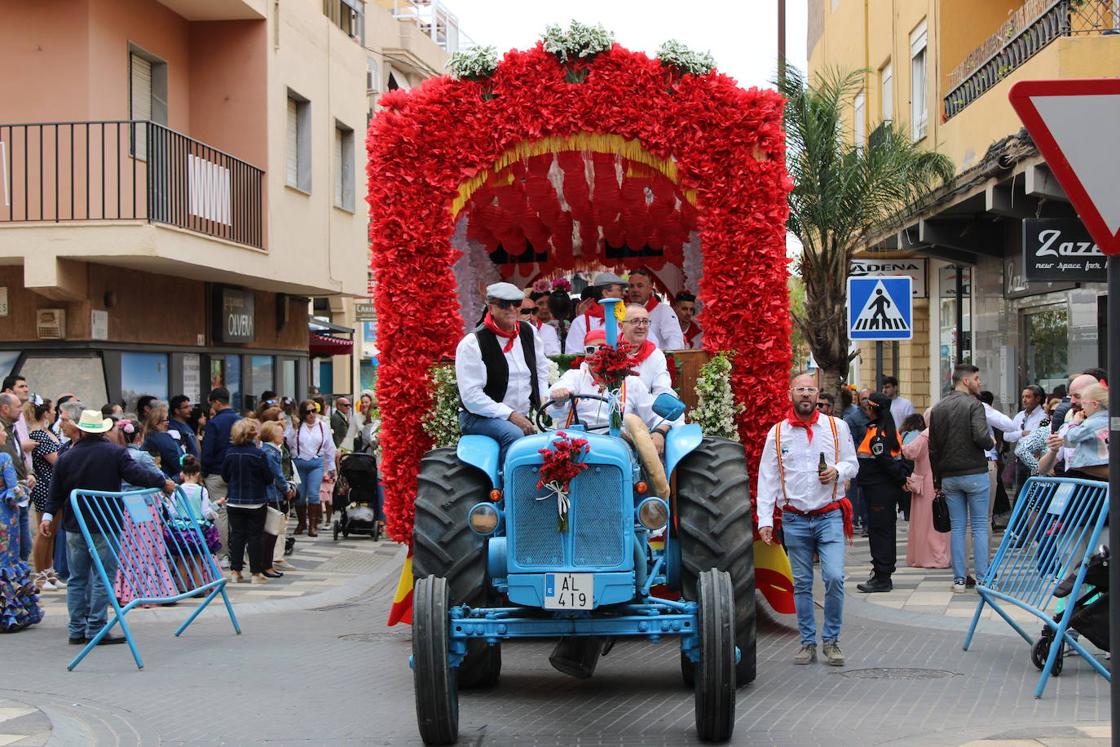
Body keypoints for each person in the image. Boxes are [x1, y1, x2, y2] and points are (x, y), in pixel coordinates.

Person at [38, 410, 174, 645]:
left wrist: (47, 517)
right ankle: (96, 628)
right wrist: (162, 482)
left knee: (77, 578)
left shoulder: (66, 457)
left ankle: (76, 628)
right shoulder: (115, 453)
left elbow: (55, 493)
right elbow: (137, 475)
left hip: (75, 524)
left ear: (81, 429)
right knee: (102, 577)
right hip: (106, 522)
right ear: (102, 429)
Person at [756, 372, 858, 666]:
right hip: (795, 518)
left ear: (817, 396)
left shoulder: (836, 428)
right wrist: (765, 520)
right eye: (800, 389)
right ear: (790, 394)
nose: (805, 395)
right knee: (801, 583)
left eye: (810, 390)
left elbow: (853, 464)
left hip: (829, 515)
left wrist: (837, 470)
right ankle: (807, 642)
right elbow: (768, 478)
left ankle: (832, 640)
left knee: (835, 577)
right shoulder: (777, 434)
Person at [456, 282, 550, 464]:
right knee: (513, 434)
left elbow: (541, 370)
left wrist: (544, 403)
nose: (511, 309)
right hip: (479, 416)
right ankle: (507, 489)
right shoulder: (472, 343)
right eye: (504, 304)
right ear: (491, 308)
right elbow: (471, 397)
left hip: (521, 413)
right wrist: (510, 415)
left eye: (515, 304)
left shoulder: (528, 331)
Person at [546, 329, 679, 446]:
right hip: (573, 447)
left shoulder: (631, 383)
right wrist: (559, 397)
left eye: (602, 349)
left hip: (617, 446)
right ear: (585, 354)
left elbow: (657, 416)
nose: (596, 355)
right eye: (591, 350)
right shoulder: (574, 377)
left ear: (613, 353)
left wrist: (659, 432)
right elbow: (554, 407)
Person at [928, 364, 994, 593]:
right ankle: (984, 578)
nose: (980, 383)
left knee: (957, 528)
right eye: (977, 378)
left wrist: (937, 480)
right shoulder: (975, 405)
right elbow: (981, 437)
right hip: (975, 472)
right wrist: (992, 442)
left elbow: (933, 448)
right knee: (979, 527)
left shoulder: (938, 408)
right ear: (966, 381)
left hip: (948, 476)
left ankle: (959, 580)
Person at [854, 392, 912, 593]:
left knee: (880, 533)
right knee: (884, 531)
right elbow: (900, 459)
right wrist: (902, 479)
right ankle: (882, 573)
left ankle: (882, 576)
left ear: (872, 409)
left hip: (879, 490)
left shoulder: (878, 434)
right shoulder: (886, 430)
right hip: (882, 489)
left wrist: (901, 479)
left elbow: (887, 462)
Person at [0, 423, 42, 632]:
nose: (4, 434)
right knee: (8, 560)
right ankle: (9, 614)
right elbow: (13, 490)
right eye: (1, 431)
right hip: (6, 516)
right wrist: (25, 485)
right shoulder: (4, 459)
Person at [221, 419, 274, 584]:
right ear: (252, 435)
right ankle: (256, 573)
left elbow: (224, 476)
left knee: (237, 536)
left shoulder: (230, 453)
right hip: (255, 501)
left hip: (234, 501)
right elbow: (268, 478)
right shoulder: (258, 454)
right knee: (255, 537)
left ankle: (235, 571)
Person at [901, 411, 949, 568]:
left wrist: (899, 443)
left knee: (925, 522)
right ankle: (943, 555)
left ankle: (927, 557)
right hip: (943, 479)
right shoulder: (947, 433)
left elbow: (909, 452)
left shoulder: (925, 435)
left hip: (927, 482)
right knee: (942, 518)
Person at [27, 398, 64, 591]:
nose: (54, 413)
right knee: (44, 532)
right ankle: (40, 575)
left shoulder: (48, 432)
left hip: (54, 485)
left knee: (53, 531)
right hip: (44, 485)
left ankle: (49, 571)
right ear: (46, 412)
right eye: (52, 410)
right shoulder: (38, 434)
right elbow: (56, 460)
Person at [286, 399, 336, 536]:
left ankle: (312, 526)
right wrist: (294, 429)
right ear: (303, 413)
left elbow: (329, 447)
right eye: (308, 412)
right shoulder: (297, 426)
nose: (312, 414)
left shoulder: (322, 426)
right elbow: (288, 442)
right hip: (299, 463)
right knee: (300, 496)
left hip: (316, 463)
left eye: (314, 411)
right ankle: (302, 523)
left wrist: (331, 467)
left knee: (314, 494)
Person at [201, 388, 237, 566]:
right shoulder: (239, 420)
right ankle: (237, 552)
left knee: (220, 513)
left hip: (216, 471)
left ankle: (222, 554)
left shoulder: (215, 423)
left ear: (216, 402)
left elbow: (208, 450)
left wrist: (204, 471)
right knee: (236, 512)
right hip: (236, 471)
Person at [0, 393, 33, 562]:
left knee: (22, 546)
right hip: (9, 502)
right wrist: (17, 488)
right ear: (5, 408)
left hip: (18, 497)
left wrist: (30, 474)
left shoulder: (13, 429)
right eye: (18, 406)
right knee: (13, 549)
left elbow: (20, 458)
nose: (21, 410)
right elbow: (9, 464)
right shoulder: (2, 430)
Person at [259, 421, 294, 577]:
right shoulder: (272, 452)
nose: (283, 435)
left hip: (268, 494)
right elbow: (277, 475)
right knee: (271, 531)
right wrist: (287, 489)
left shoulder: (267, 450)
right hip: (272, 495)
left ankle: (265, 563)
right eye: (280, 433)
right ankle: (266, 565)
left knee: (268, 532)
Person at [619, 303, 674, 396]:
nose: (641, 326)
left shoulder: (656, 355)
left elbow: (662, 389)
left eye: (645, 321)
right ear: (621, 326)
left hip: (645, 408)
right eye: (635, 321)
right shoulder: (610, 352)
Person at [564, 272, 626, 354]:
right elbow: (573, 355)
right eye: (619, 290)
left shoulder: (625, 318)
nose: (623, 294)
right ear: (605, 293)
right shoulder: (581, 322)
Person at [1001, 385, 1046, 495]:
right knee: (1021, 489)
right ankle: (1020, 511)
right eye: (1023, 397)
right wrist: (1022, 433)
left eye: (1028, 397)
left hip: (1037, 458)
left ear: (1038, 398)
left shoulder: (1044, 416)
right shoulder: (1020, 416)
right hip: (1021, 458)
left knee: (1034, 491)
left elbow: (1041, 438)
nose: (1024, 400)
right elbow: (1006, 436)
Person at [1060, 383, 1108, 481]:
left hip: (1088, 466)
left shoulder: (1092, 422)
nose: (1082, 407)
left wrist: (1074, 423)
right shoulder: (1111, 420)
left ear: (1095, 404)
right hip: (1105, 464)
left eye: (1084, 403)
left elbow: (1072, 437)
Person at [627, 268, 684, 350]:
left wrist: (662, 358)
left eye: (640, 286)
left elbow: (675, 342)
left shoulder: (664, 311)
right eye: (631, 286)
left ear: (650, 288)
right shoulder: (623, 313)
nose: (635, 290)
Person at [142, 401, 185, 479]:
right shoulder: (162, 438)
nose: (168, 422)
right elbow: (175, 460)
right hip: (168, 479)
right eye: (166, 419)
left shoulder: (147, 436)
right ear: (156, 421)